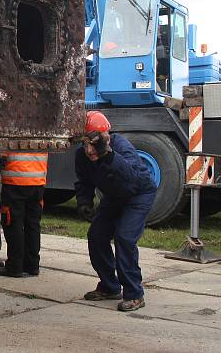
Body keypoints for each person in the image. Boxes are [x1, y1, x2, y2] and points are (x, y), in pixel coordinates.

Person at [75, 111, 157, 312]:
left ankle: (134, 294)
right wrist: (84, 202)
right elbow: (83, 181)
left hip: (138, 194)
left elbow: (130, 178)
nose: (89, 150)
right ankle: (110, 287)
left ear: (106, 137)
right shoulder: (82, 156)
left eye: (94, 144)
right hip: (114, 196)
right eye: (85, 143)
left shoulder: (121, 148)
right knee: (96, 235)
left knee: (125, 238)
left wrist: (108, 155)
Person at [0, 150, 48, 278]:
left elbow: (1, 153)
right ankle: (32, 265)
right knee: (33, 225)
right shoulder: (43, 130)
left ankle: (14, 266)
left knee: (13, 224)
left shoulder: (14, 129)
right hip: (37, 182)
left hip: (15, 182)